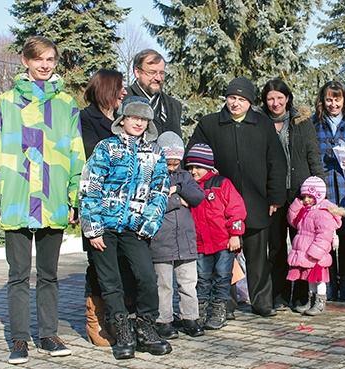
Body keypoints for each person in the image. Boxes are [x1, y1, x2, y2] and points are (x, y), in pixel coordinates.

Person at [0, 36, 84, 364]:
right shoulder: (6, 102)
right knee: (18, 274)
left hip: (52, 201)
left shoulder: (66, 104)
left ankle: (49, 334)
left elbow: (75, 153)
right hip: (16, 199)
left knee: (50, 274)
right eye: (38, 59)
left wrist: (75, 199)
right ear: (25, 61)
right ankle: (20, 339)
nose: (45, 65)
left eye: (50, 59)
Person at [79, 96, 172, 360]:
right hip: (105, 228)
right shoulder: (106, 148)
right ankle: (122, 332)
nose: (138, 123)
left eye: (143, 119)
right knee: (111, 282)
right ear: (123, 119)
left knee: (146, 277)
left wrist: (149, 223)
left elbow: (160, 190)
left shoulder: (155, 153)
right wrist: (93, 227)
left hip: (135, 227)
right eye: (133, 117)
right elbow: (90, 186)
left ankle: (146, 328)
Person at [187, 76, 287, 317]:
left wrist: (275, 197)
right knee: (224, 258)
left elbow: (277, 161)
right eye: (232, 98)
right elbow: (192, 162)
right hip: (218, 205)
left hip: (256, 201)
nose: (235, 103)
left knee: (257, 257)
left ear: (250, 102)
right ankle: (226, 303)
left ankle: (262, 301)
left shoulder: (262, 125)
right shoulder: (209, 124)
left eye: (241, 99)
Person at [260, 78, 324, 311]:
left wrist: (319, 192)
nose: (275, 103)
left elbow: (313, 156)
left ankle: (300, 294)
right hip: (274, 196)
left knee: (302, 245)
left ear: (287, 98)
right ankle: (279, 294)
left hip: (301, 194)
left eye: (279, 98)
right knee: (276, 247)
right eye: (270, 99)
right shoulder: (260, 123)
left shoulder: (302, 122)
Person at [80, 68, 127, 347]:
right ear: (106, 89)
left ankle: (118, 319)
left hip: (124, 206)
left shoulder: (124, 121)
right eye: (120, 88)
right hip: (98, 204)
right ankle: (94, 321)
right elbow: (91, 157)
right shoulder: (85, 119)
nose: (124, 92)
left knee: (123, 264)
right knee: (98, 265)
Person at [149, 132, 205, 339]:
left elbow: (198, 197)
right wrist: (179, 200)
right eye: (168, 163)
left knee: (189, 282)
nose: (172, 168)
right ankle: (163, 320)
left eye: (175, 163)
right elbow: (154, 203)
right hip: (161, 240)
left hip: (186, 240)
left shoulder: (185, 176)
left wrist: (178, 188)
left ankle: (190, 317)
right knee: (163, 285)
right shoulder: (152, 175)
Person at [186, 143, 247, 329]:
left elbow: (237, 210)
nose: (193, 171)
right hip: (200, 244)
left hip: (223, 243)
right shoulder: (189, 187)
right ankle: (201, 311)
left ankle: (219, 309)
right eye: (190, 167)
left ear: (208, 166)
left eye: (197, 167)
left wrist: (235, 235)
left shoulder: (221, 184)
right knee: (202, 278)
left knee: (222, 277)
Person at [312, 81, 345, 301]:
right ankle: (330, 281)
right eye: (329, 99)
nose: (333, 104)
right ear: (323, 100)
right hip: (325, 189)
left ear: (344, 100)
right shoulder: (314, 123)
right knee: (325, 238)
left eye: (338, 99)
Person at [287, 176, 345, 316]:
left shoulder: (322, 213)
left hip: (316, 255)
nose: (306, 200)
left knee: (319, 280)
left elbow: (324, 235)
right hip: (307, 254)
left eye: (310, 196)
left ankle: (320, 302)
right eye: (304, 196)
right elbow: (294, 222)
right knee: (310, 279)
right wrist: (296, 206)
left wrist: (315, 252)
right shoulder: (307, 210)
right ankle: (311, 300)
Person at [126, 49, 182, 137]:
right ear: (137, 72)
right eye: (152, 72)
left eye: (162, 73)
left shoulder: (174, 105)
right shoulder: (123, 99)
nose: (158, 78)